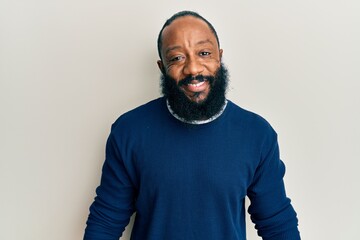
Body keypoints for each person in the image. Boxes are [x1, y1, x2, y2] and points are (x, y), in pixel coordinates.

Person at [84, 10, 300, 240]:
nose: (193, 69)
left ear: (220, 57)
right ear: (162, 67)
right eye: (177, 58)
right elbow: (106, 220)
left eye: (204, 53)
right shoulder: (129, 131)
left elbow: (277, 224)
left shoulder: (257, 134)